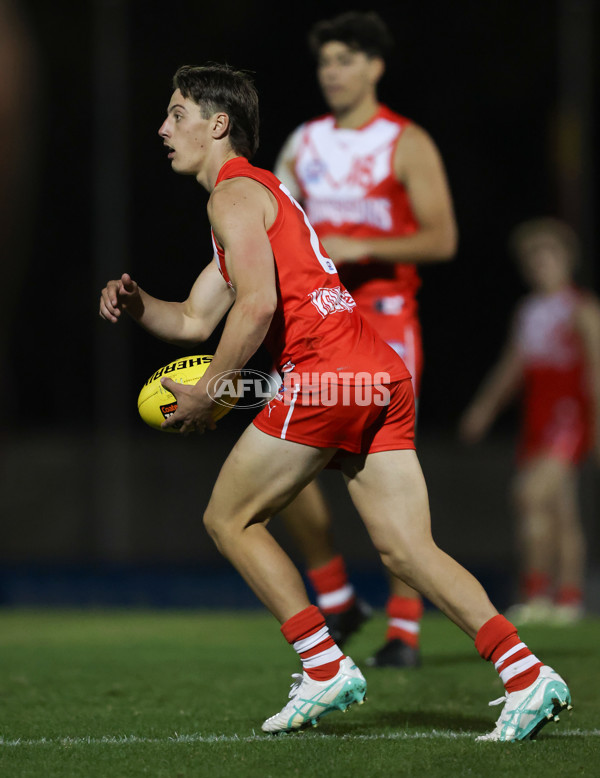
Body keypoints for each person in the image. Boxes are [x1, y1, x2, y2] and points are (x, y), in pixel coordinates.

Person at [99, 63, 571, 741]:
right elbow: (195, 321)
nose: (163, 129)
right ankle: (527, 674)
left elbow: (257, 306)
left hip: (325, 375)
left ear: (218, 124)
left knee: (229, 520)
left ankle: (323, 665)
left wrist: (209, 393)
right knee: (409, 550)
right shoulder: (259, 196)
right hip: (378, 370)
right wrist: (140, 303)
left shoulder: (230, 197)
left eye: (177, 114)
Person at [272, 11, 458, 668]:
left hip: (384, 320)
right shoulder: (302, 143)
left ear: (376, 66)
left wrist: (363, 242)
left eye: (346, 59)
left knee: (392, 478)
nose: (333, 72)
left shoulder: (404, 142)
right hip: (319, 324)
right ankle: (339, 597)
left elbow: (441, 238)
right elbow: (272, 226)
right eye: (325, 62)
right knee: (280, 470)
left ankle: (402, 631)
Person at [460, 217, 600, 625]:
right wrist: (484, 409)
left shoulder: (582, 308)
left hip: (568, 416)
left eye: (549, 255)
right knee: (558, 508)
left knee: (531, 494)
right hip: (538, 416)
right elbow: (513, 367)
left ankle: (539, 591)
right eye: (534, 257)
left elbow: (595, 370)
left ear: (567, 260)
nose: (542, 264)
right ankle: (566, 598)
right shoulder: (529, 311)